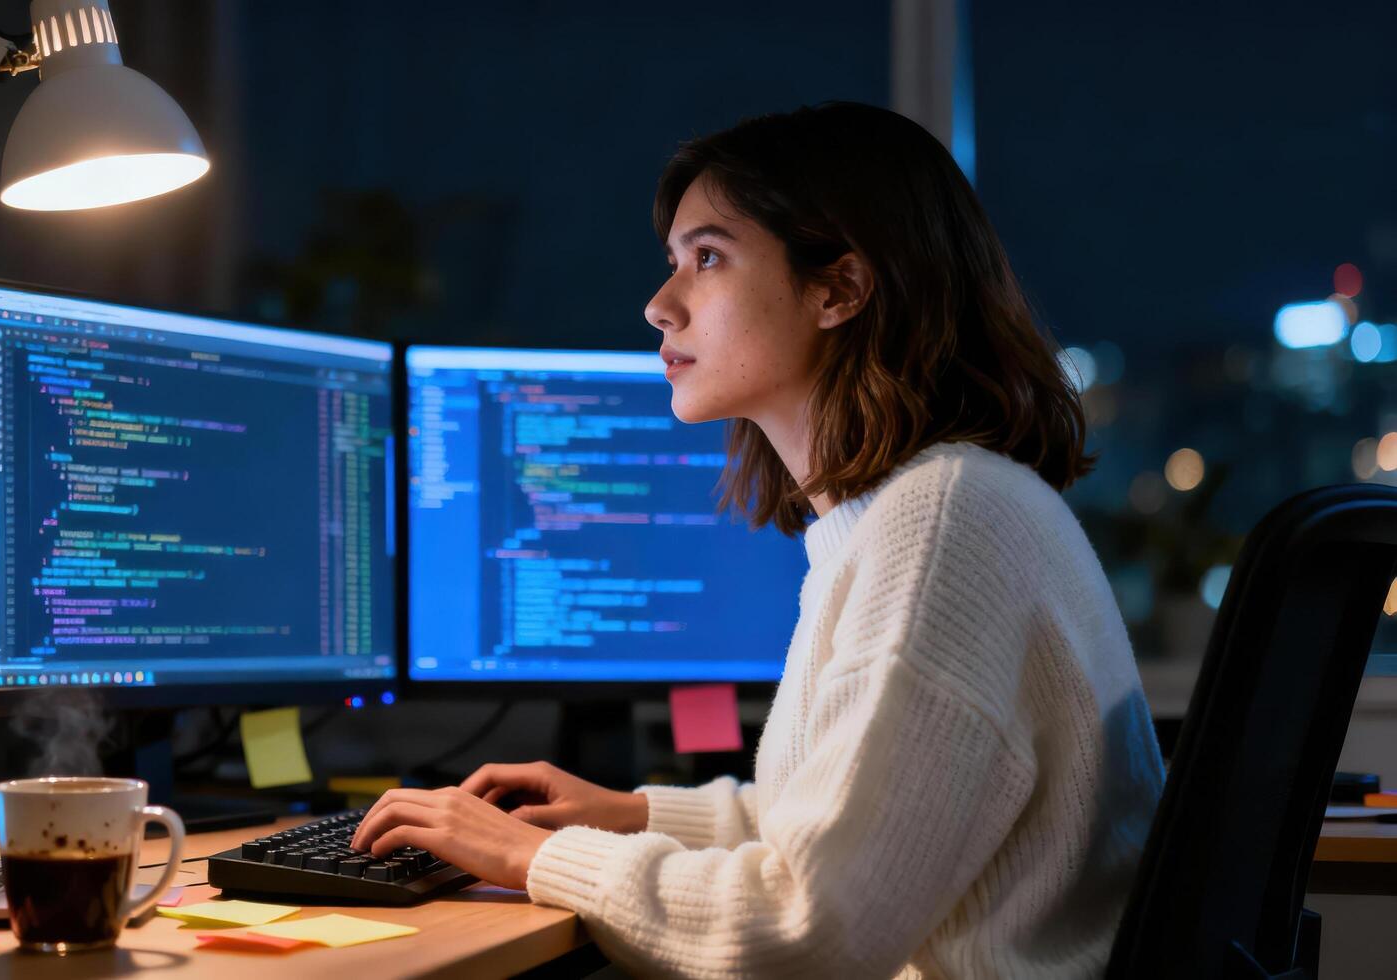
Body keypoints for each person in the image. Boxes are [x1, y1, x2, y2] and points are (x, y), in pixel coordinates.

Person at [353, 102, 1166, 978]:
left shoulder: (942, 523)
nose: (660, 306)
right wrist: (633, 813)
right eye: (674, 264)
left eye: (708, 258)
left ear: (840, 289)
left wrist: (531, 858)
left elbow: (810, 928)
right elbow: (858, 824)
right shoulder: (910, 513)